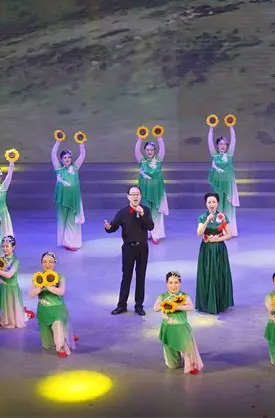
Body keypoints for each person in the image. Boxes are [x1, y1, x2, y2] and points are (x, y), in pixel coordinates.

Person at [105, 185, 155, 316]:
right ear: (128, 197)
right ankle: (122, 305)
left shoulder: (145, 210)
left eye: (137, 194)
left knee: (141, 277)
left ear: (140, 196)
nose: (135, 196)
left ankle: (139, 306)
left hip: (142, 248)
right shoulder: (122, 212)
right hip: (128, 248)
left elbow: (151, 226)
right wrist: (108, 227)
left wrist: (143, 214)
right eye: (133, 194)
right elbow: (113, 226)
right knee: (126, 277)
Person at [153, 271, 204, 374]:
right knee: (173, 366)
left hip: (181, 328)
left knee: (188, 352)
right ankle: (175, 358)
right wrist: (166, 304)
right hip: (168, 328)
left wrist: (176, 306)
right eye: (170, 283)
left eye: (176, 282)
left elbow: (190, 307)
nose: (173, 285)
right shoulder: (163, 296)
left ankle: (189, 361)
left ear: (180, 283)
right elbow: (155, 308)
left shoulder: (184, 295)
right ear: (166, 284)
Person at [28, 252, 76, 358]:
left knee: (57, 325)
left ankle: (61, 348)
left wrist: (48, 286)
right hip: (43, 310)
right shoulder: (38, 277)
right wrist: (40, 287)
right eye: (45, 262)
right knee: (47, 344)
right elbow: (30, 294)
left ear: (54, 263)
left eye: (50, 262)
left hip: (57, 309)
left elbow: (61, 292)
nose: (47, 264)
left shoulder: (60, 277)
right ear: (41, 263)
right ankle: (62, 337)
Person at [195, 193, 234, 314]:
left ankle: (220, 303)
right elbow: (199, 233)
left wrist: (218, 239)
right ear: (206, 204)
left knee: (219, 273)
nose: (212, 204)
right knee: (207, 274)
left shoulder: (222, 217)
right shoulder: (202, 217)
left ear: (217, 203)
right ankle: (206, 303)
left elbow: (229, 234)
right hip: (206, 249)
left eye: (214, 202)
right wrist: (207, 220)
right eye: (209, 202)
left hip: (219, 249)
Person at [51, 133, 86, 251]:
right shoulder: (59, 168)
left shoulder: (75, 167)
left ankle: (70, 243)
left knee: (72, 221)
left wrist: (81, 143)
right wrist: (58, 142)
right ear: (61, 159)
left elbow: (82, 155)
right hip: (62, 199)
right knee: (62, 220)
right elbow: (53, 154)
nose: (67, 159)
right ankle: (63, 241)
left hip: (73, 199)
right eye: (64, 157)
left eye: (69, 157)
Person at [206, 121, 239, 236]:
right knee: (217, 206)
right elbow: (209, 142)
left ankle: (229, 230)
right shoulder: (215, 155)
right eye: (220, 144)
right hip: (218, 185)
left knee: (228, 208)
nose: (223, 146)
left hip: (228, 185)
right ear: (217, 146)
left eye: (225, 144)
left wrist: (231, 128)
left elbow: (234, 141)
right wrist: (211, 128)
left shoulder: (229, 155)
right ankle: (218, 230)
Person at [135, 136, 168, 244]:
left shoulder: (158, 160)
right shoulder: (142, 161)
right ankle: (144, 234)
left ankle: (156, 235)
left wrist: (160, 139)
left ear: (154, 150)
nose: (149, 152)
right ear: (144, 151)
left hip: (156, 192)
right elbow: (136, 151)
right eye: (147, 150)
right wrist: (140, 139)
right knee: (143, 213)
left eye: (151, 150)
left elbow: (162, 149)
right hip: (144, 192)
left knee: (156, 213)